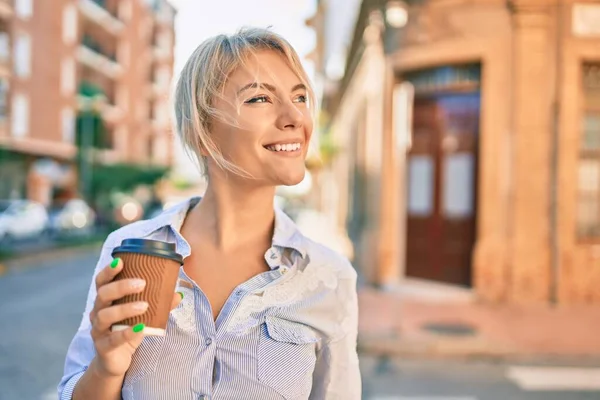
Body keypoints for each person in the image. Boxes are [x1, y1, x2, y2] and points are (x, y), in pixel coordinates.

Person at [58, 27, 361, 400]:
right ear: (202, 131)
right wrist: (107, 366)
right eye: (260, 98)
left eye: (299, 97)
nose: (294, 117)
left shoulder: (329, 278)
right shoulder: (132, 250)